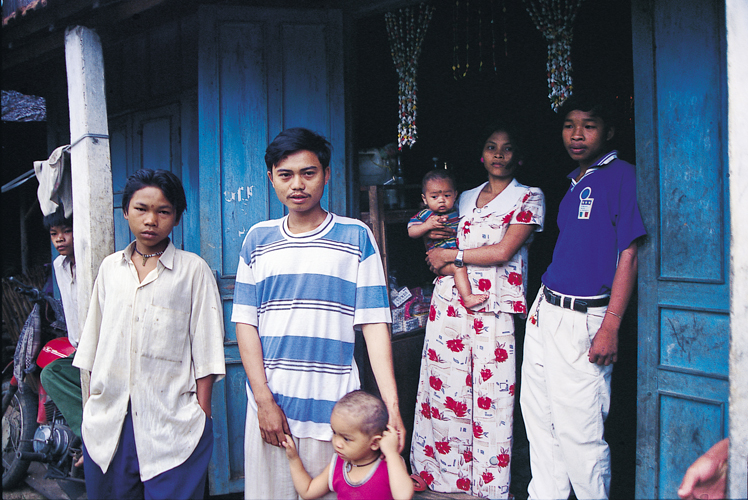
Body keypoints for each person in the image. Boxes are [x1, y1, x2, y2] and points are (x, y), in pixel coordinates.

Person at [232, 127, 405, 499]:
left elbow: (374, 326)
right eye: (286, 174)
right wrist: (264, 402)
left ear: (327, 175)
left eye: (309, 173)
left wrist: (392, 408)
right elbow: (246, 325)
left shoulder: (356, 237)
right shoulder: (256, 240)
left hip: (338, 418)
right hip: (273, 411)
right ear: (271, 179)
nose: (298, 184)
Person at [520, 91, 646, 500]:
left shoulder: (622, 174)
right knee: (539, 418)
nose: (576, 135)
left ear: (608, 131)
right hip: (546, 307)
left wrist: (610, 326)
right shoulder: (576, 180)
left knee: (580, 431)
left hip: (585, 317)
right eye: (569, 126)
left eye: (588, 126)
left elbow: (629, 253)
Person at [410, 121, 545, 499]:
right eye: (491, 147)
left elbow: (504, 252)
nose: (499, 154)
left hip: (493, 306)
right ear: (481, 155)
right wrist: (437, 257)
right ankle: (443, 476)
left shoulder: (529, 196)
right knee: (444, 389)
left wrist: (449, 254)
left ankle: (487, 484)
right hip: (448, 305)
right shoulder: (462, 196)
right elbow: (434, 242)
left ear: (519, 156)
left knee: (492, 395)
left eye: (507, 148)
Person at [72, 169, 226, 499]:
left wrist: (202, 414)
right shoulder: (110, 269)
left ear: (177, 217)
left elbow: (208, 350)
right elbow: (93, 348)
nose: (151, 220)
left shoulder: (193, 271)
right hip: (110, 421)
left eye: (164, 211)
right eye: (141, 209)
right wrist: (92, 413)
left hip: (173, 422)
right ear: (126, 211)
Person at [282, 390, 414, 500]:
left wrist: (391, 453)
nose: (337, 443)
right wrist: (293, 459)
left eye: (346, 439)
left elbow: (403, 496)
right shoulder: (338, 465)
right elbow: (307, 491)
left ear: (374, 443)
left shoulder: (390, 465)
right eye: (334, 433)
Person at [39, 206, 84, 454]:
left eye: (67, 231)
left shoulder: (95, 262)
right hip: (79, 349)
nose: (60, 238)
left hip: (100, 351)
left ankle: (95, 438)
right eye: (54, 233)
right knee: (51, 374)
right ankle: (87, 433)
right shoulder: (59, 265)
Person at [408, 170, 488, 308]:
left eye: (447, 195)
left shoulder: (459, 212)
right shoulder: (424, 215)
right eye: (434, 196)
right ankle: (468, 298)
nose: (441, 200)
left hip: (457, 255)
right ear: (424, 198)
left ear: (455, 195)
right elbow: (411, 231)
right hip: (440, 262)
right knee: (459, 269)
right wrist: (426, 226)